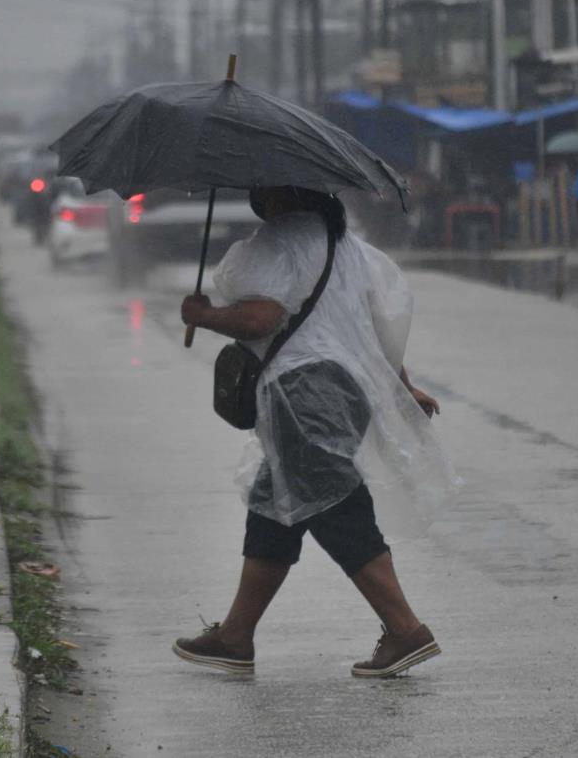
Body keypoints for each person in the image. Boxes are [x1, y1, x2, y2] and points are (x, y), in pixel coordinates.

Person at [175, 185, 451, 679]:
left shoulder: (276, 243)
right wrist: (403, 386)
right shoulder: (351, 249)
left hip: (303, 392)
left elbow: (262, 317)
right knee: (274, 507)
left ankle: (406, 629)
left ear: (280, 197)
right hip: (346, 391)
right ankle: (236, 636)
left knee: (335, 505)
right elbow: (371, 328)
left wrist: (205, 316)